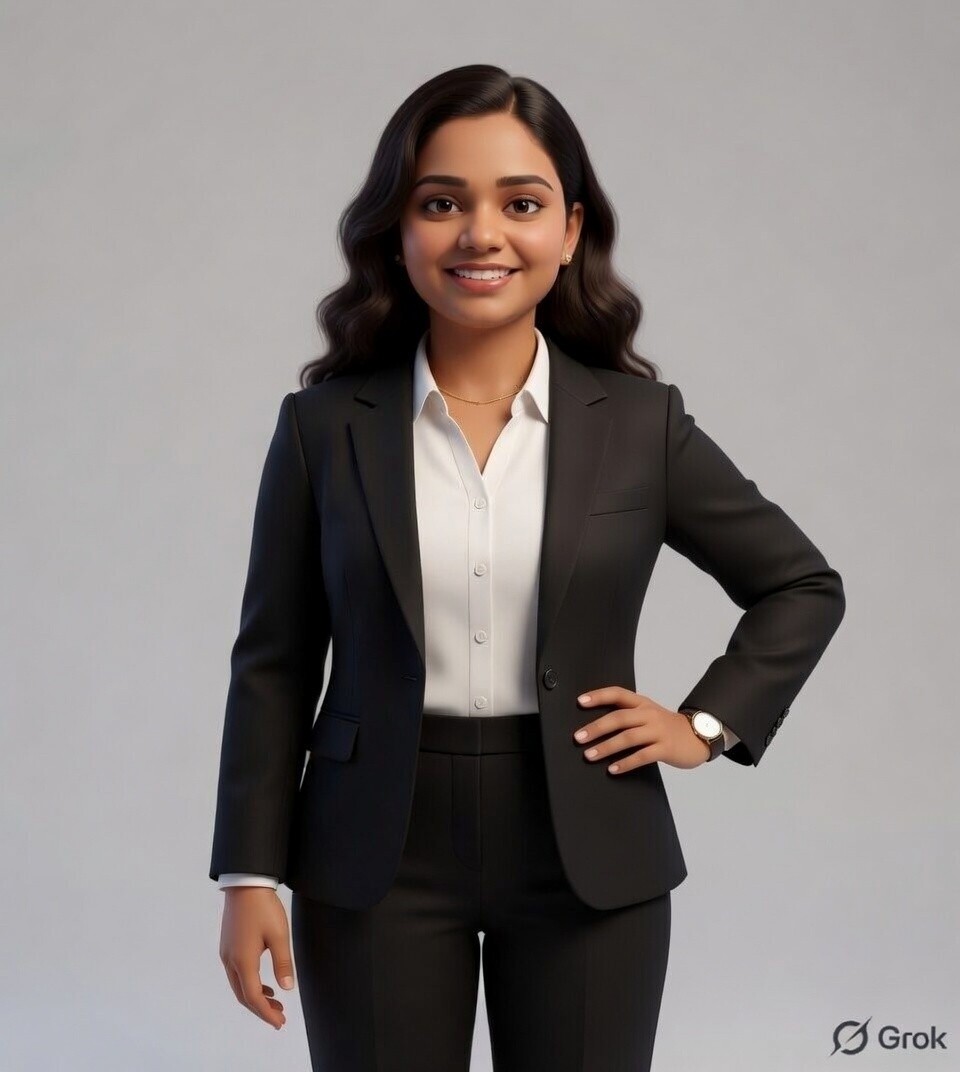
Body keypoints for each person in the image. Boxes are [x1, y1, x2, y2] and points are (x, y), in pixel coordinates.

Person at [209, 64, 846, 1072]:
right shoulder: (324, 430)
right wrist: (248, 871)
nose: (480, 233)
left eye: (521, 202)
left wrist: (705, 725)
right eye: (440, 202)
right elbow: (275, 661)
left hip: (587, 843)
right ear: (397, 229)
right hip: (374, 847)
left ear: (571, 229)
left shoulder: (640, 427)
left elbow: (801, 584)